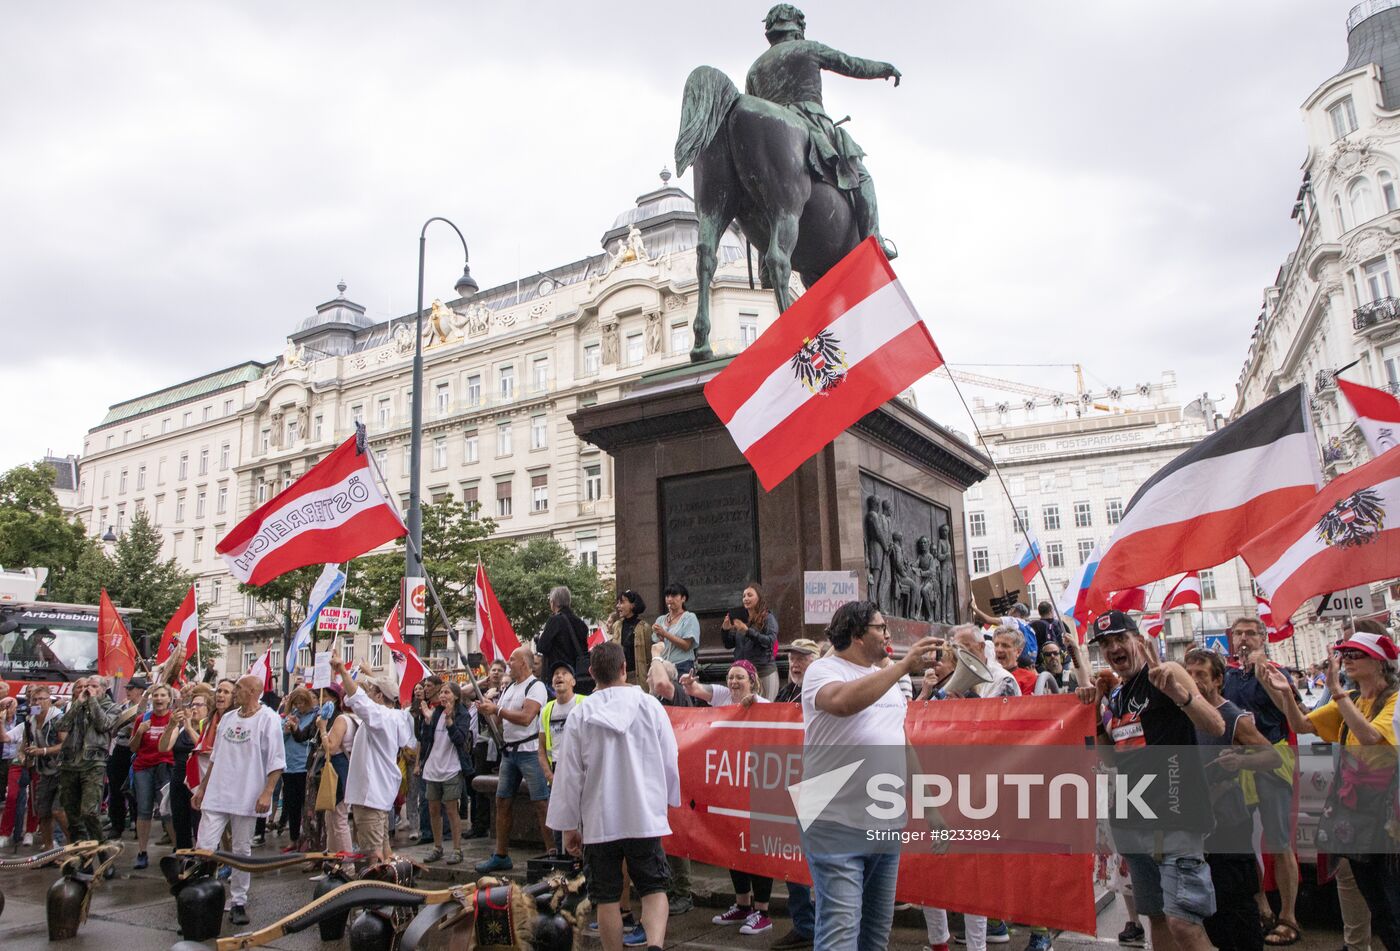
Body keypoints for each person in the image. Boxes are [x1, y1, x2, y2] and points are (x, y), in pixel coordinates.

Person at [801, 600, 941, 951]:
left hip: (885, 822)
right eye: (881, 627)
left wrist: (931, 808)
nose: (887, 634)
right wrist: (904, 666)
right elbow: (843, 703)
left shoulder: (885, 678)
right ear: (857, 634)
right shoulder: (823, 670)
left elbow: (902, 744)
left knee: (875, 937)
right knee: (840, 934)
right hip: (835, 822)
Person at [1091, 611, 1223, 951]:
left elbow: (1216, 727)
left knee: (1185, 924)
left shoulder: (1165, 672)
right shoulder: (1118, 695)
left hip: (1174, 819)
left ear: (1138, 639)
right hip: (1131, 819)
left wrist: (1180, 694)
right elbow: (1111, 760)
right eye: (1106, 644)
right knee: (1157, 919)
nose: (1114, 648)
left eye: (1121, 638)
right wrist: (1095, 717)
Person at [1259, 626, 1398, 950]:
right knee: (1374, 900)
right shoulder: (1351, 700)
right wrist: (1285, 694)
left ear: (1379, 662)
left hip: (1387, 821)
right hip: (1356, 816)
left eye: (1354, 654)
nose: (1345, 660)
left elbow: (1370, 738)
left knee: (1391, 903)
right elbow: (1301, 724)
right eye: (1343, 654)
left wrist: (1336, 691)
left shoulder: (1394, 700)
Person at [548, 641, 679, 951]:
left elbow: (569, 773)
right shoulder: (650, 706)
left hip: (599, 819)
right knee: (653, 886)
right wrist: (667, 802)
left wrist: (568, 825)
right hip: (643, 814)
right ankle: (655, 944)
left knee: (606, 897)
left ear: (592, 673)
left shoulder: (581, 716)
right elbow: (670, 757)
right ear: (624, 668)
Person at [743, 3, 900, 256]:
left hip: (774, 140)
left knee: (766, 193)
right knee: (862, 177)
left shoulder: (755, 68)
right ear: (797, 26)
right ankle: (874, 240)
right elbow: (850, 64)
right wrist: (884, 68)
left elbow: (754, 114)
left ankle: (766, 259)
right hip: (811, 123)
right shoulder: (808, 48)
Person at [1184, 648, 1279, 951]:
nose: (1194, 681)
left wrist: (1241, 762)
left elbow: (1272, 756)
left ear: (1218, 680)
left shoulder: (1231, 715)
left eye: (1201, 674)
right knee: (1208, 908)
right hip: (1198, 824)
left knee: (1237, 905)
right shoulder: (1185, 713)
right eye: (1190, 674)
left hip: (1230, 822)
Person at [1220, 618, 1302, 947]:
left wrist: (1263, 674)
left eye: (1250, 633)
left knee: (1278, 839)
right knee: (1244, 840)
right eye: (1238, 634)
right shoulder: (1226, 676)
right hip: (1239, 763)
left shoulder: (1276, 672)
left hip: (1272, 758)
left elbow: (1290, 710)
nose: (1243, 639)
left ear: (1262, 638)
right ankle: (1262, 905)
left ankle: (1289, 915)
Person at [682, 661, 775, 934]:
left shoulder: (764, 703)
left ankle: (763, 911)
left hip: (757, 785)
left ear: (753, 680)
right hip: (730, 783)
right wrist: (689, 685)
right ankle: (742, 905)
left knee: (757, 848)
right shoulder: (723, 696)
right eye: (731, 677)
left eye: (740, 678)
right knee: (733, 845)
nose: (734, 682)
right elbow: (699, 690)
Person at [191, 675, 286, 926]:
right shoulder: (228, 719)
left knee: (241, 851)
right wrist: (202, 788)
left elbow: (277, 761)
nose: (235, 693)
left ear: (254, 691)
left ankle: (238, 902)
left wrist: (267, 792)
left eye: (240, 689)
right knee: (204, 847)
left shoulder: (269, 719)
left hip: (247, 796)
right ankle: (202, 898)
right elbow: (215, 757)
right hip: (217, 793)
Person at [330, 657, 414, 864]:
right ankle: (387, 891)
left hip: (370, 795)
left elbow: (358, 699)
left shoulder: (381, 718)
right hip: (379, 795)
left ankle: (375, 892)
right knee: (384, 853)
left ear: (378, 696)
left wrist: (342, 670)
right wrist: (370, 676)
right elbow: (369, 697)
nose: (367, 692)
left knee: (372, 857)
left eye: (371, 691)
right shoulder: (394, 716)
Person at [475, 646, 552, 872]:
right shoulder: (509, 688)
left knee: (540, 802)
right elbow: (500, 721)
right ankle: (501, 854)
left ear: (524, 664)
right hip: (509, 753)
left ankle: (552, 852)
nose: (508, 662)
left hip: (529, 752)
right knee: (502, 801)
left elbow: (527, 717)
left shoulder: (535, 687)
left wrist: (496, 710)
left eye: (512, 659)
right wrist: (487, 712)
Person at [773, 638, 820, 950]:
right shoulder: (786, 690)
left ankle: (819, 923)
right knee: (794, 854)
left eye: (802, 658)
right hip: (790, 779)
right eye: (791, 657)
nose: (795, 663)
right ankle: (805, 922)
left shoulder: (819, 691)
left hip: (818, 781)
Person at [56, 676, 118, 846]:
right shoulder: (76, 706)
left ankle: (102, 848)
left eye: (93, 686)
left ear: (103, 689)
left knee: (89, 812)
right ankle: (83, 854)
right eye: (86, 686)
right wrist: (77, 704)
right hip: (70, 764)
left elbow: (103, 724)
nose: (88, 689)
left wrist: (92, 702)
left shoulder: (111, 707)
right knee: (72, 815)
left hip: (93, 764)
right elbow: (61, 726)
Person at [417, 681, 472, 865]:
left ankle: (457, 849)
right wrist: (425, 720)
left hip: (451, 767)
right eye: (441, 692)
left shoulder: (462, 714)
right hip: (433, 766)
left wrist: (449, 722)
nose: (442, 696)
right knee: (433, 808)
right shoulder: (437, 712)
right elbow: (424, 739)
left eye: (446, 692)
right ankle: (437, 847)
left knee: (451, 809)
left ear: (455, 696)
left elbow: (460, 739)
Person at [129, 683, 176, 868]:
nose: (159, 699)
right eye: (156, 696)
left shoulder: (173, 719)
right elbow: (132, 747)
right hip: (143, 768)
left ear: (169, 699)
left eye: (163, 695)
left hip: (165, 767)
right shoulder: (143, 719)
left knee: (167, 810)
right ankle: (142, 852)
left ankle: (178, 849)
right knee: (144, 810)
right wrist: (140, 732)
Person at [161, 684, 211, 851]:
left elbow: (203, 747)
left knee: (199, 823)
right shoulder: (181, 727)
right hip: (179, 779)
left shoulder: (208, 727)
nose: (194, 708)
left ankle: (202, 859)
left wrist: (190, 727)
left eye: (199, 705)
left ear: (208, 708)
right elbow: (163, 747)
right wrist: (171, 725)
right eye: (192, 704)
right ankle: (184, 858)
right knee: (180, 821)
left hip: (198, 781)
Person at [21, 685, 68, 851]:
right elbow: (26, 739)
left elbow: (65, 744)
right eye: (35, 699)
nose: (38, 702)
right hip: (44, 770)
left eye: (42, 699)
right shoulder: (31, 718)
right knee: (43, 812)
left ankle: (73, 845)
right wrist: (25, 755)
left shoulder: (58, 718)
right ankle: (49, 849)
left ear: (50, 700)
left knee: (58, 811)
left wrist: (43, 751)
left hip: (62, 770)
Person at [278, 687, 320, 849]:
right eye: (296, 702)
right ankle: (293, 838)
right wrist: (287, 730)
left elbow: (309, 739)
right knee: (291, 805)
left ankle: (308, 839)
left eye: (302, 702)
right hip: (289, 767)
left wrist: (296, 731)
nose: (299, 705)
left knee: (307, 807)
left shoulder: (314, 717)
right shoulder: (290, 716)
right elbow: (278, 738)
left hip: (305, 766)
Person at [722, 583, 779, 699]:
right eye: (744, 596)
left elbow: (770, 641)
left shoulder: (768, 618)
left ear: (759, 598)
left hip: (764, 672)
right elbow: (729, 644)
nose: (746, 598)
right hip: (745, 676)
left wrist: (748, 632)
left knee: (765, 712)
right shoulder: (743, 619)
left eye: (749, 595)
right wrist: (725, 630)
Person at [107, 676, 147, 841]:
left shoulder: (147, 707)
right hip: (121, 748)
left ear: (140, 690)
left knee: (136, 790)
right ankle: (117, 825)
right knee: (115, 789)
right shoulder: (122, 707)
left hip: (138, 751)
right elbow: (113, 728)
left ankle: (138, 825)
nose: (128, 691)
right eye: (127, 688)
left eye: (131, 688)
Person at [538, 586, 591, 689]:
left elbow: (541, 647)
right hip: (578, 675)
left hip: (559, 673)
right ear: (569, 602)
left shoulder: (555, 621)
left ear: (553, 603)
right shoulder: (581, 623)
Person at [651, 583, 700, 677]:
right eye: (667, 596)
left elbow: (686, 646)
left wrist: (665, 633)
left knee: (681, 692)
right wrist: (659, 635)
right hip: (663, 666)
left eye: (674, 596)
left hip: (682, 666)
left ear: (683, 598)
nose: (669, 599)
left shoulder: (689, 618)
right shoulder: (661, 619)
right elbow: (660, 646)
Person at [610, 590, 648, 686]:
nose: (618, 606)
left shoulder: (644, 627)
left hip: (637, 677)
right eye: (618, 603)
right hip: (619, 677)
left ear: (632, 605)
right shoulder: (616, 626)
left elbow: (649, 658)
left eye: (622, 602)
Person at [993, 626, 1036, 696]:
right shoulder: (986, 676)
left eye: (1005, 646)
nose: (999, 650)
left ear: (1018, 652)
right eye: (996, 645)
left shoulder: (1028, 678)